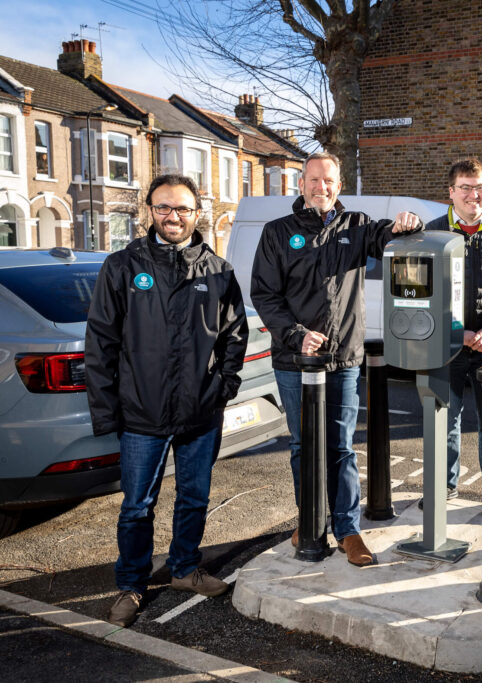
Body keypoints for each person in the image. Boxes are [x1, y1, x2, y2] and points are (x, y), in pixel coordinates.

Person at [85, 174, 247, 627]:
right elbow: (100, 344)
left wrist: (223, 389)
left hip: (200, 411)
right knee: (137, 505)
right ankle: (132, 584)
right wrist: (107, 412)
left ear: (197, 213)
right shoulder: (122, 266)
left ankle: (184, 569)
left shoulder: (217, 271)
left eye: (182, 209)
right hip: (141, 413)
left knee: (194, 498)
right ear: (150, 212)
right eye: (163, 208)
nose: (173, 217)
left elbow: (235, 338)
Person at [250, 152, 422, 567]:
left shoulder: (358, 225)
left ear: (338, 185)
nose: (320, 187)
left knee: (341, 446)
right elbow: (264, 295)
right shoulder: (278, 232)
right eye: (313, 180)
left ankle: (347, 530)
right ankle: (310, 521)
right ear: (302, 183)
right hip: (294, 362)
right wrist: (295, 335)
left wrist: (407, 223)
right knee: (302, 446)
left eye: (328, 181)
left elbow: (389, 238)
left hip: (344, 359)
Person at [423, 158, 482, 515]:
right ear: (451, 192)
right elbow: (422, 295)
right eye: (465, 187)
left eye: (480, 187)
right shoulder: (431, 232)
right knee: (442, 423)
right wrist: (456, 332)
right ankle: (442, 490)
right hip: (444, 345)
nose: (473, 195)